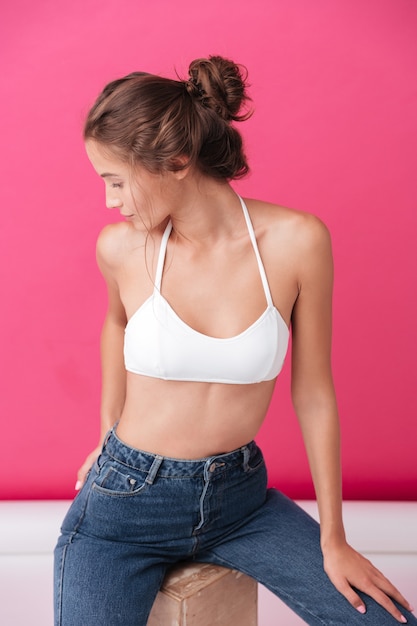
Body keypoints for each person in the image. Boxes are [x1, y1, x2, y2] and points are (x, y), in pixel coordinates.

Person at [54, 55, 415, 626]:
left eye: (116, 180)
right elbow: (117, 323)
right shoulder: (120, 248)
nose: (110, 201)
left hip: (239, 500)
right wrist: (107, 432)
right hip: (124, 508)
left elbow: (315, 391)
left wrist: (334, 539)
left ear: (175, 162)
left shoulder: (297, 242)